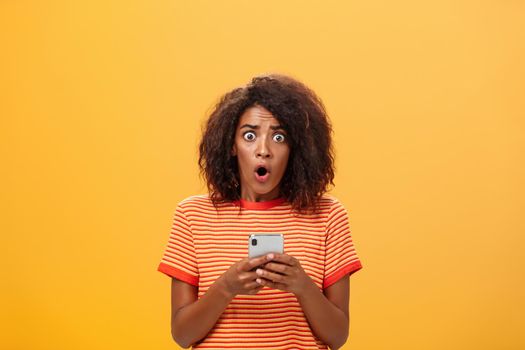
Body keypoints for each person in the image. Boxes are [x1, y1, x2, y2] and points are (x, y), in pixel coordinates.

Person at [157, 74, 363, 349]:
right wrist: (227, 287)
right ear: (232, 145)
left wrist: (302, 285)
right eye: (250, 135)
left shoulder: (328, 215)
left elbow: (338, 337)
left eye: (279, 137)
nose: (263, 150)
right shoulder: (192, 215)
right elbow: (182, 335)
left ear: (295, 148)